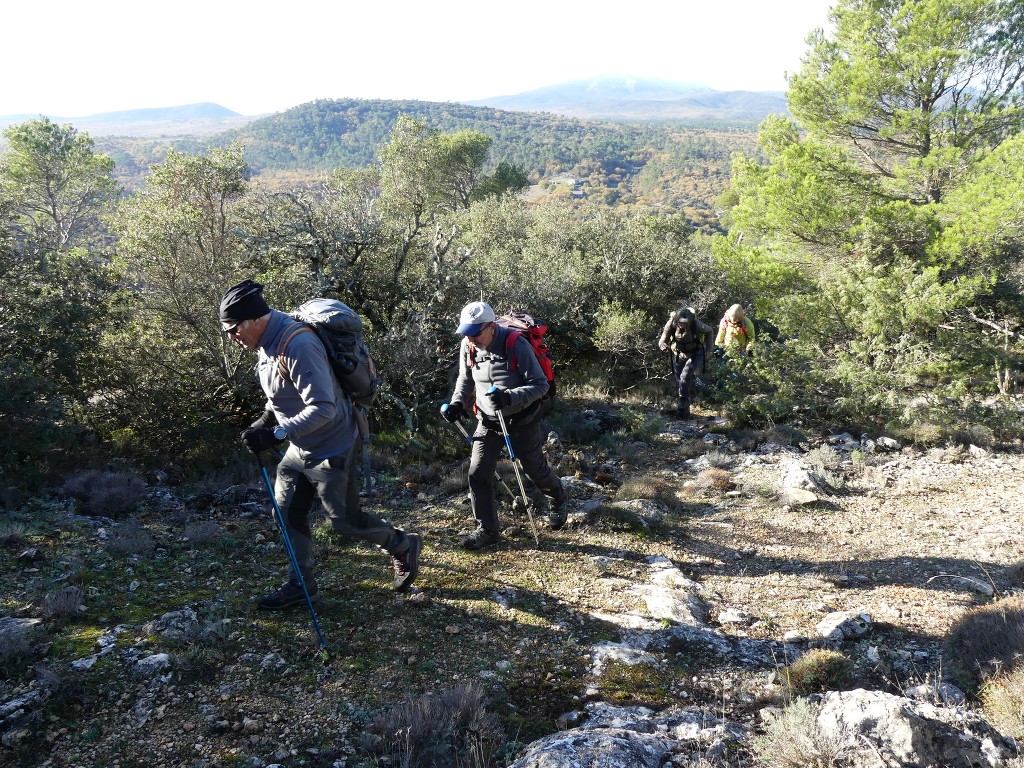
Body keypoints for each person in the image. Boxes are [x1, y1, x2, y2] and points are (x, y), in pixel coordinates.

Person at [220, 279, 420, 609]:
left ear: (253, 320)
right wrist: (265, 420)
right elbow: (283, 389)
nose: (231, 337)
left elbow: (323, 407)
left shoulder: (297, 344)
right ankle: (301, 586)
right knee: (285, 512)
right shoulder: (265, 343)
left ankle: (401, 544)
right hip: (301, 445)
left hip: (333, 444)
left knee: (345, 522)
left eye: (232, 329)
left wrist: (276, 435)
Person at [442, 300, 568, 550]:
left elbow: (540, 384)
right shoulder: (468, 345)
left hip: (522, 419)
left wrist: (509, 397)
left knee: (535, 470)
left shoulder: (515, 344)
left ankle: (558, 498)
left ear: (490, 327)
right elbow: (465, 378)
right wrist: (457, 403)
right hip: (488, 421)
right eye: (466, 332)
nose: (470, 338)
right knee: (477, 474)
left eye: (475, 332)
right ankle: (487, 530)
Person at [658, 305, 713, 419]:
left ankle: (682, 406)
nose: (683, 325)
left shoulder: (695, 324)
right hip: (680, 354)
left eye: (686, 323)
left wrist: (709, 350)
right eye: (681, 322)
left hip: (695, 354)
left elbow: (709, 331)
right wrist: (663, 344)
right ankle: (686, 406)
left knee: (684, 377)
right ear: (677, 321)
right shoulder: (671, 324)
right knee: (680, 380)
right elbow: (664, 337)